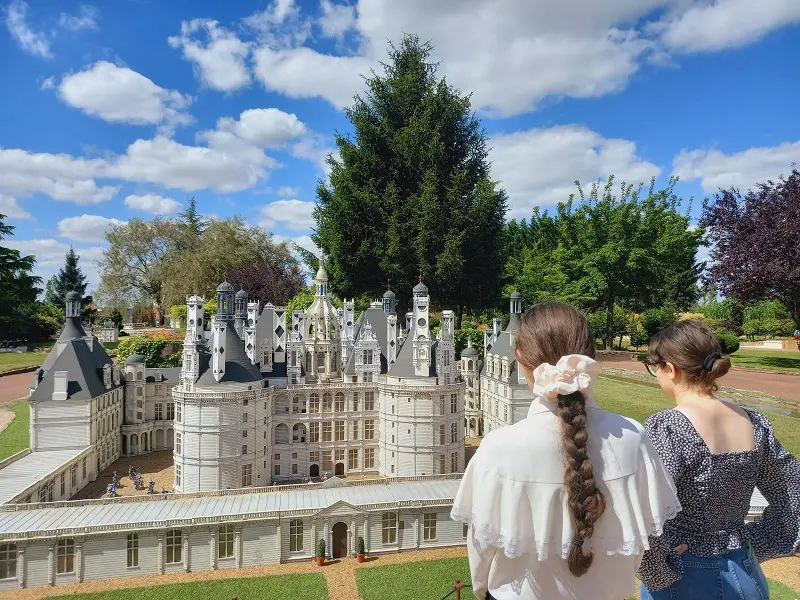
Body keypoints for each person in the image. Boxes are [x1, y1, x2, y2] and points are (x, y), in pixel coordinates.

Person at [451, 302, 682, 600]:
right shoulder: (633, 437)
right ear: (591, 358)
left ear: (520, 359)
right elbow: (641, 540)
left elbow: (481, 549)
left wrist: (483, 591)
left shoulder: (498, 448)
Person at [639, 319, 800, 599]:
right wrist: (759, 540)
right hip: (745, 569)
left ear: (671, 369)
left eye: (656, 368)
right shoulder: (752, 422)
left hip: (685, 577)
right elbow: (793, 487)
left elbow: (645, 508)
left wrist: (659, 572)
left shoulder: (668, 427)